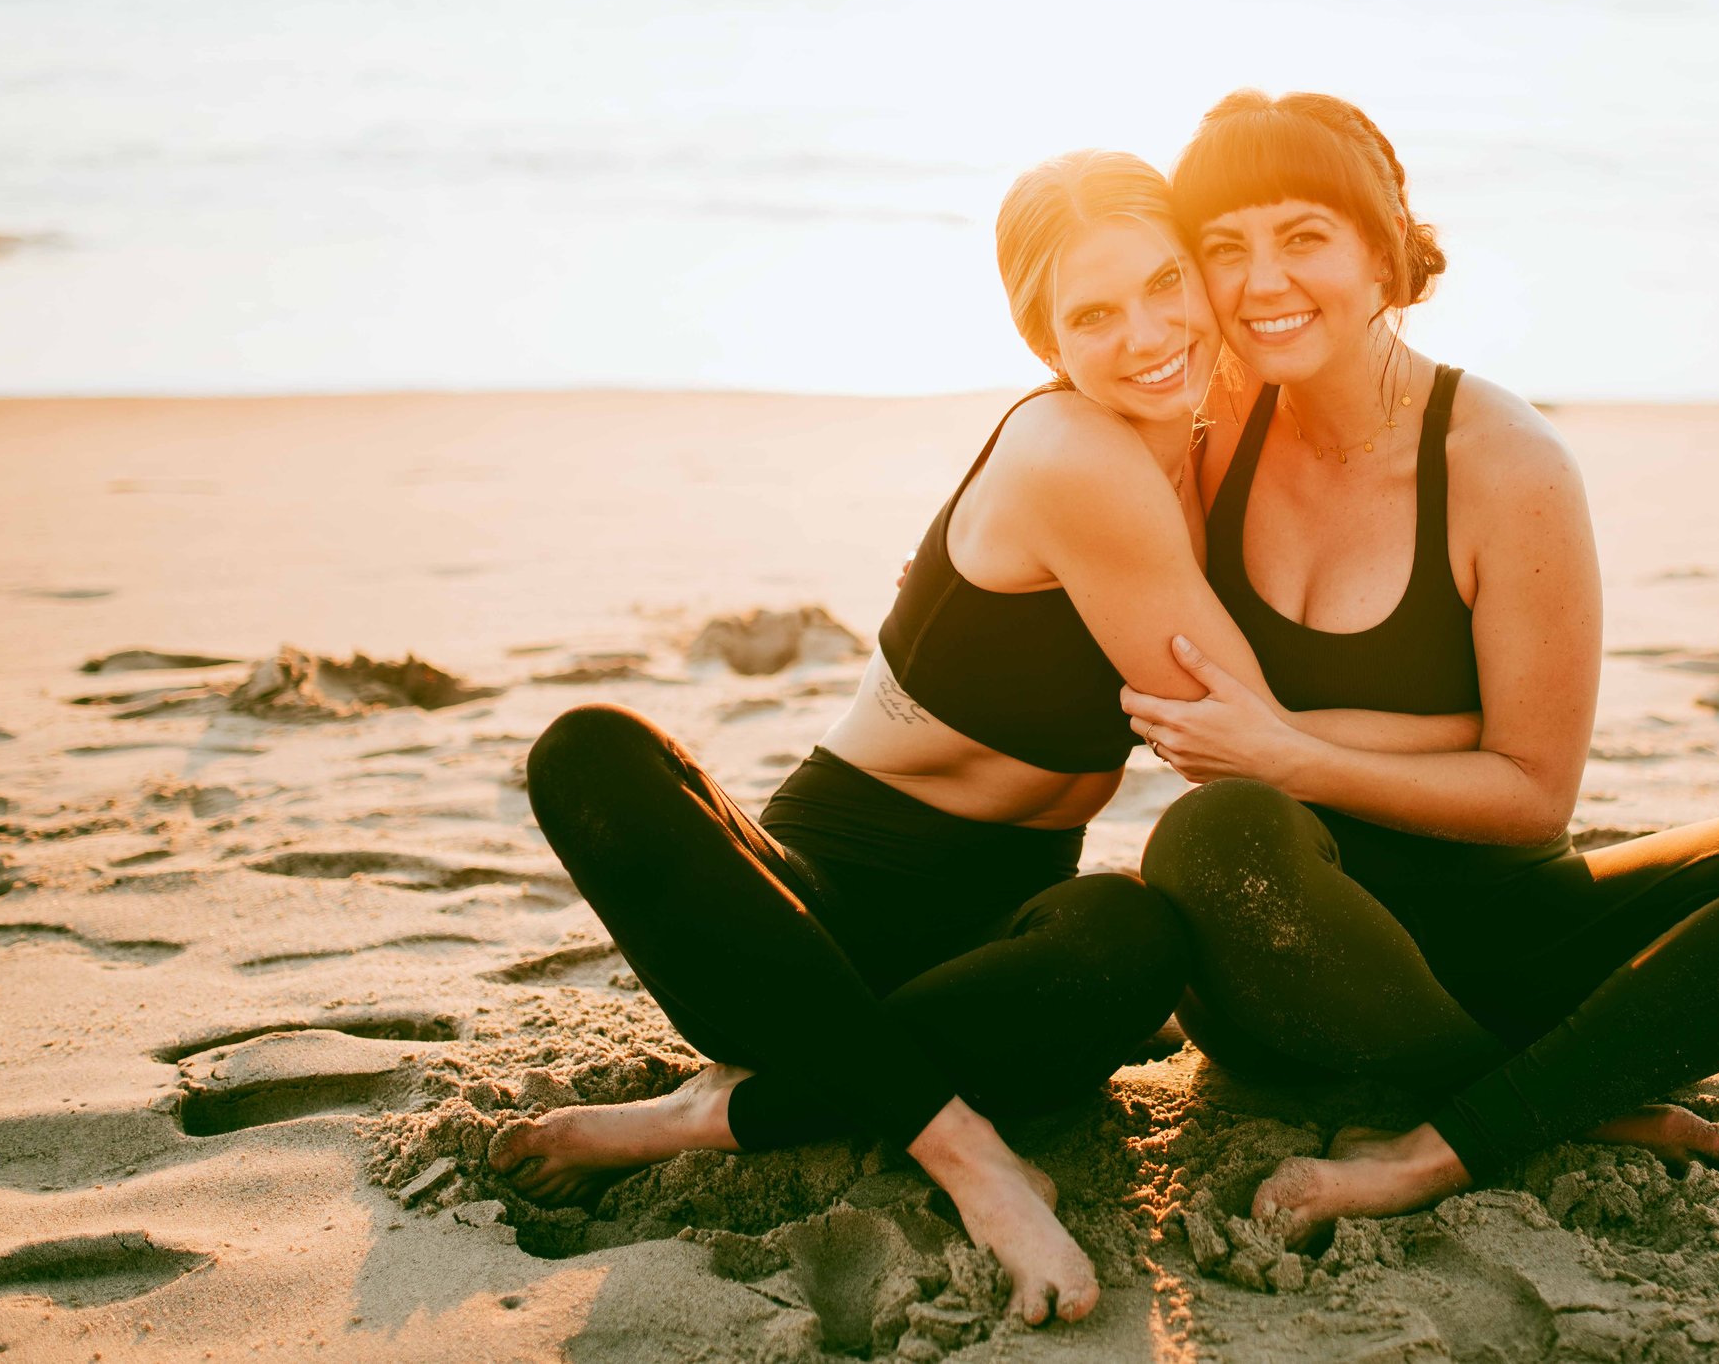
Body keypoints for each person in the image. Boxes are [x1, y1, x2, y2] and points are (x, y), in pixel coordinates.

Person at [490, 150, 1472, 1325]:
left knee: (1133, 929)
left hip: (1007, 956)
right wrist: (1473, 741)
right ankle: (965, 1153)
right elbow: (1238, 724)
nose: (1150, 330)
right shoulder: (1077, 454)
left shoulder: (1216, 437)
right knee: (588, 749)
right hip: (806, 928)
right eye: (1094, 313)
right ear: (1044, 342)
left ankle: (725, 1112)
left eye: (1167, 282)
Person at [1124, 90, 1719, 1241]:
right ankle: (1554, 1099)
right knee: (1214, 835)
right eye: (1224, 248)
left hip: (1504, 934)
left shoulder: (1503, 461)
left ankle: (1442, 1138)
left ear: (1381, 254)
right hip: (1281, 955)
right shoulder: (1205, 430)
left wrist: (1292, 746)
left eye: (1302, 237)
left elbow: (1529, 792)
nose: (1260, 281)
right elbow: (1185, 714)